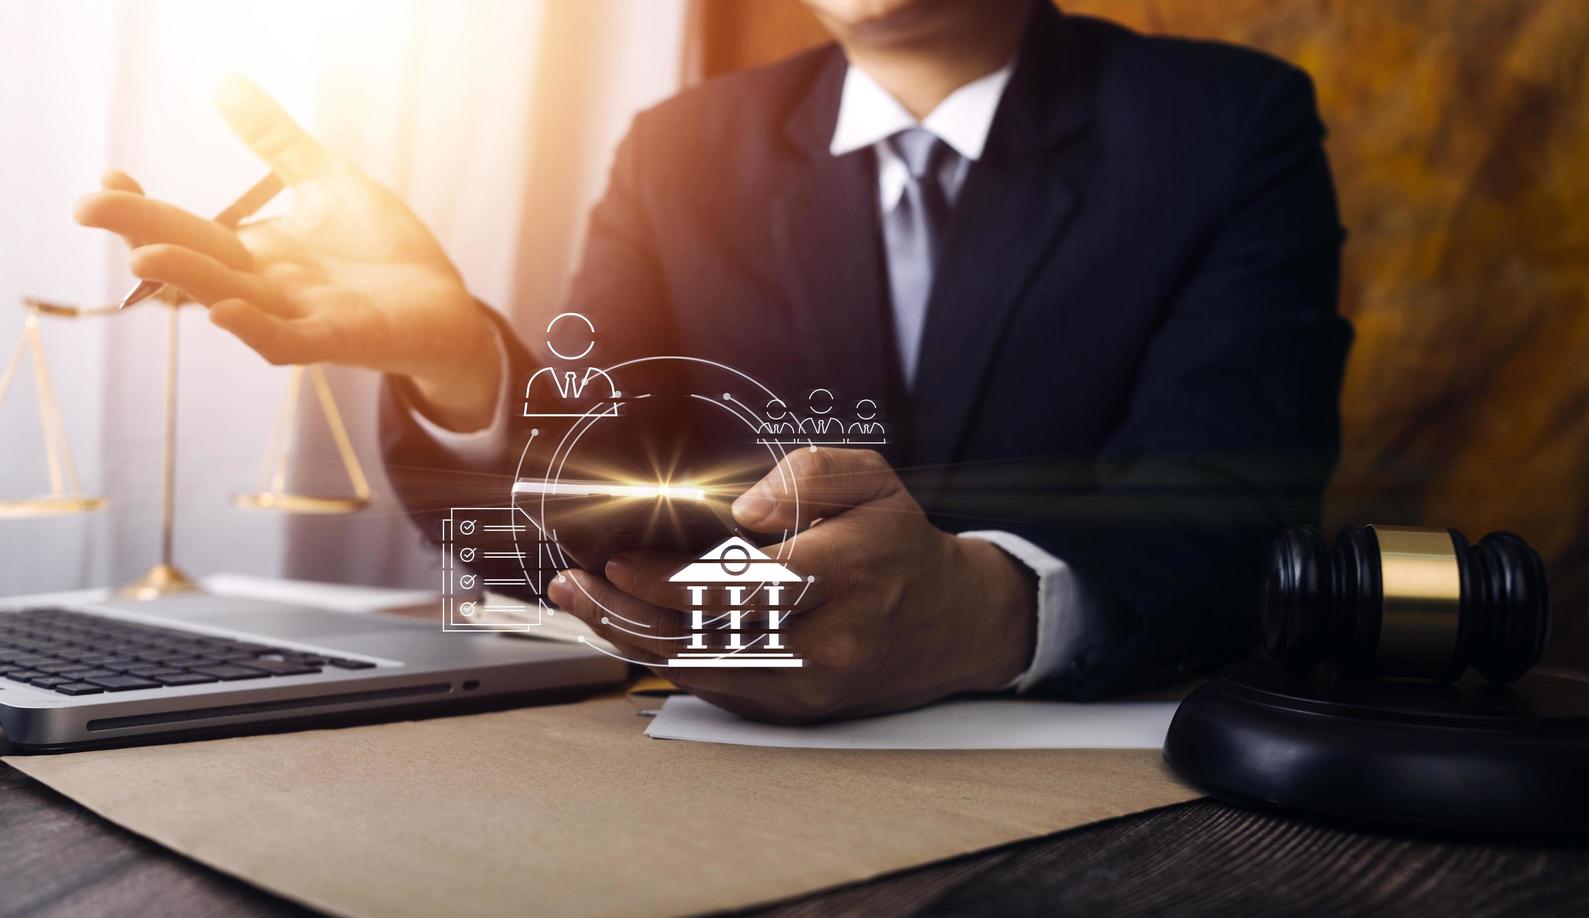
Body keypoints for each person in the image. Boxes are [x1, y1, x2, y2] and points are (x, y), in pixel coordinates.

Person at [73, 0, 1349, 723]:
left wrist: (975, 611)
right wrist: (465, 361)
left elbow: (1234, 502)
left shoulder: (1227, 124)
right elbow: (603, 505)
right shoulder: (678, 148)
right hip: (708, 773)